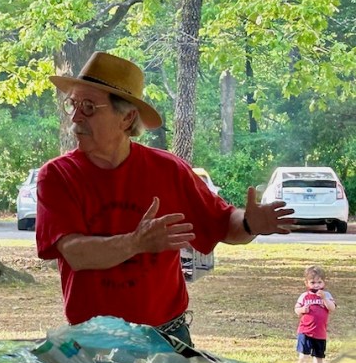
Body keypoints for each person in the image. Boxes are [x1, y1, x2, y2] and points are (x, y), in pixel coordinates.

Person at [36, 52, 295, 346]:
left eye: (88, 107)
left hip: (168, 338)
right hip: (92, 344)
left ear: (127, 117)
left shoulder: (168, 170)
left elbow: (224, 224)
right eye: (73, 104)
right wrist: (137, 242)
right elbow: (75, 254)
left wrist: (249, 224)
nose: (75, 117)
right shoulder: (57, 176)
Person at [294, 264, 336, 363]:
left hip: (320, 332)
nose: (316, 285)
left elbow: (332, 308)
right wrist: (303, 310)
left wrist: (324, 298)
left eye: (319, 282)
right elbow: (296, 309)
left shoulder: (327, 295)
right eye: (313, 282)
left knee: (319, 355)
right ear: (306, 283)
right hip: (305, 331)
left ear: (324, 282)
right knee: (304, 353)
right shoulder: (304, 296)